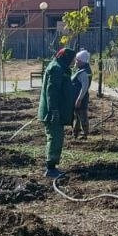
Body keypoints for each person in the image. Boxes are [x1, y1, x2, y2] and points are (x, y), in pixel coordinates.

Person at [38, 47, 77, 178]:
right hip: (52, 113)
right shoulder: (56, 69)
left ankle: (52, 166)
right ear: (66, 58)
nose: (73, 62)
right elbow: (52, 91)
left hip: (57, 111)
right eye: (72, 59)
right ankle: (50, 168)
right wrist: (53, 110)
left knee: (57, 138)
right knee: (55, 138)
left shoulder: (60, 67)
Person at [72, 49, 92, 139]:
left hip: (81, 98)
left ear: (81, 61)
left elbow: (84, 87)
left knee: (82, 116)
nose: (75, 62)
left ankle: (85, 134)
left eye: (77, 60)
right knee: (77, 116)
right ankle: (75, 133)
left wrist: (79, 99)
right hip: (78, 98)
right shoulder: (83, 69)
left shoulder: (83, 72)